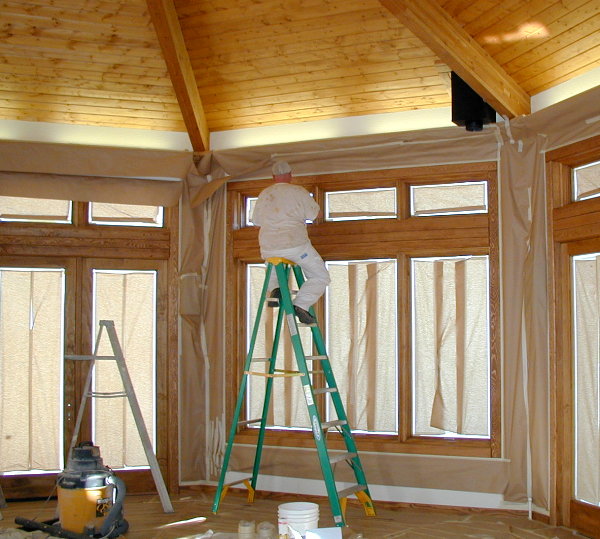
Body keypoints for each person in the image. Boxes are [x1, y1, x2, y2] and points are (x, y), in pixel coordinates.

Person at [251, 160, 330, 325]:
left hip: (269, 247)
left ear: (273, 176)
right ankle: (301, 304)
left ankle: (275, 290)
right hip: (296, 245)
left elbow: (256, 222)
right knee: (320, 276)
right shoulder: (298, 191)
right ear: (290, 175)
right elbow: (317, 215)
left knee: (273, 267)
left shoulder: (265, 194)